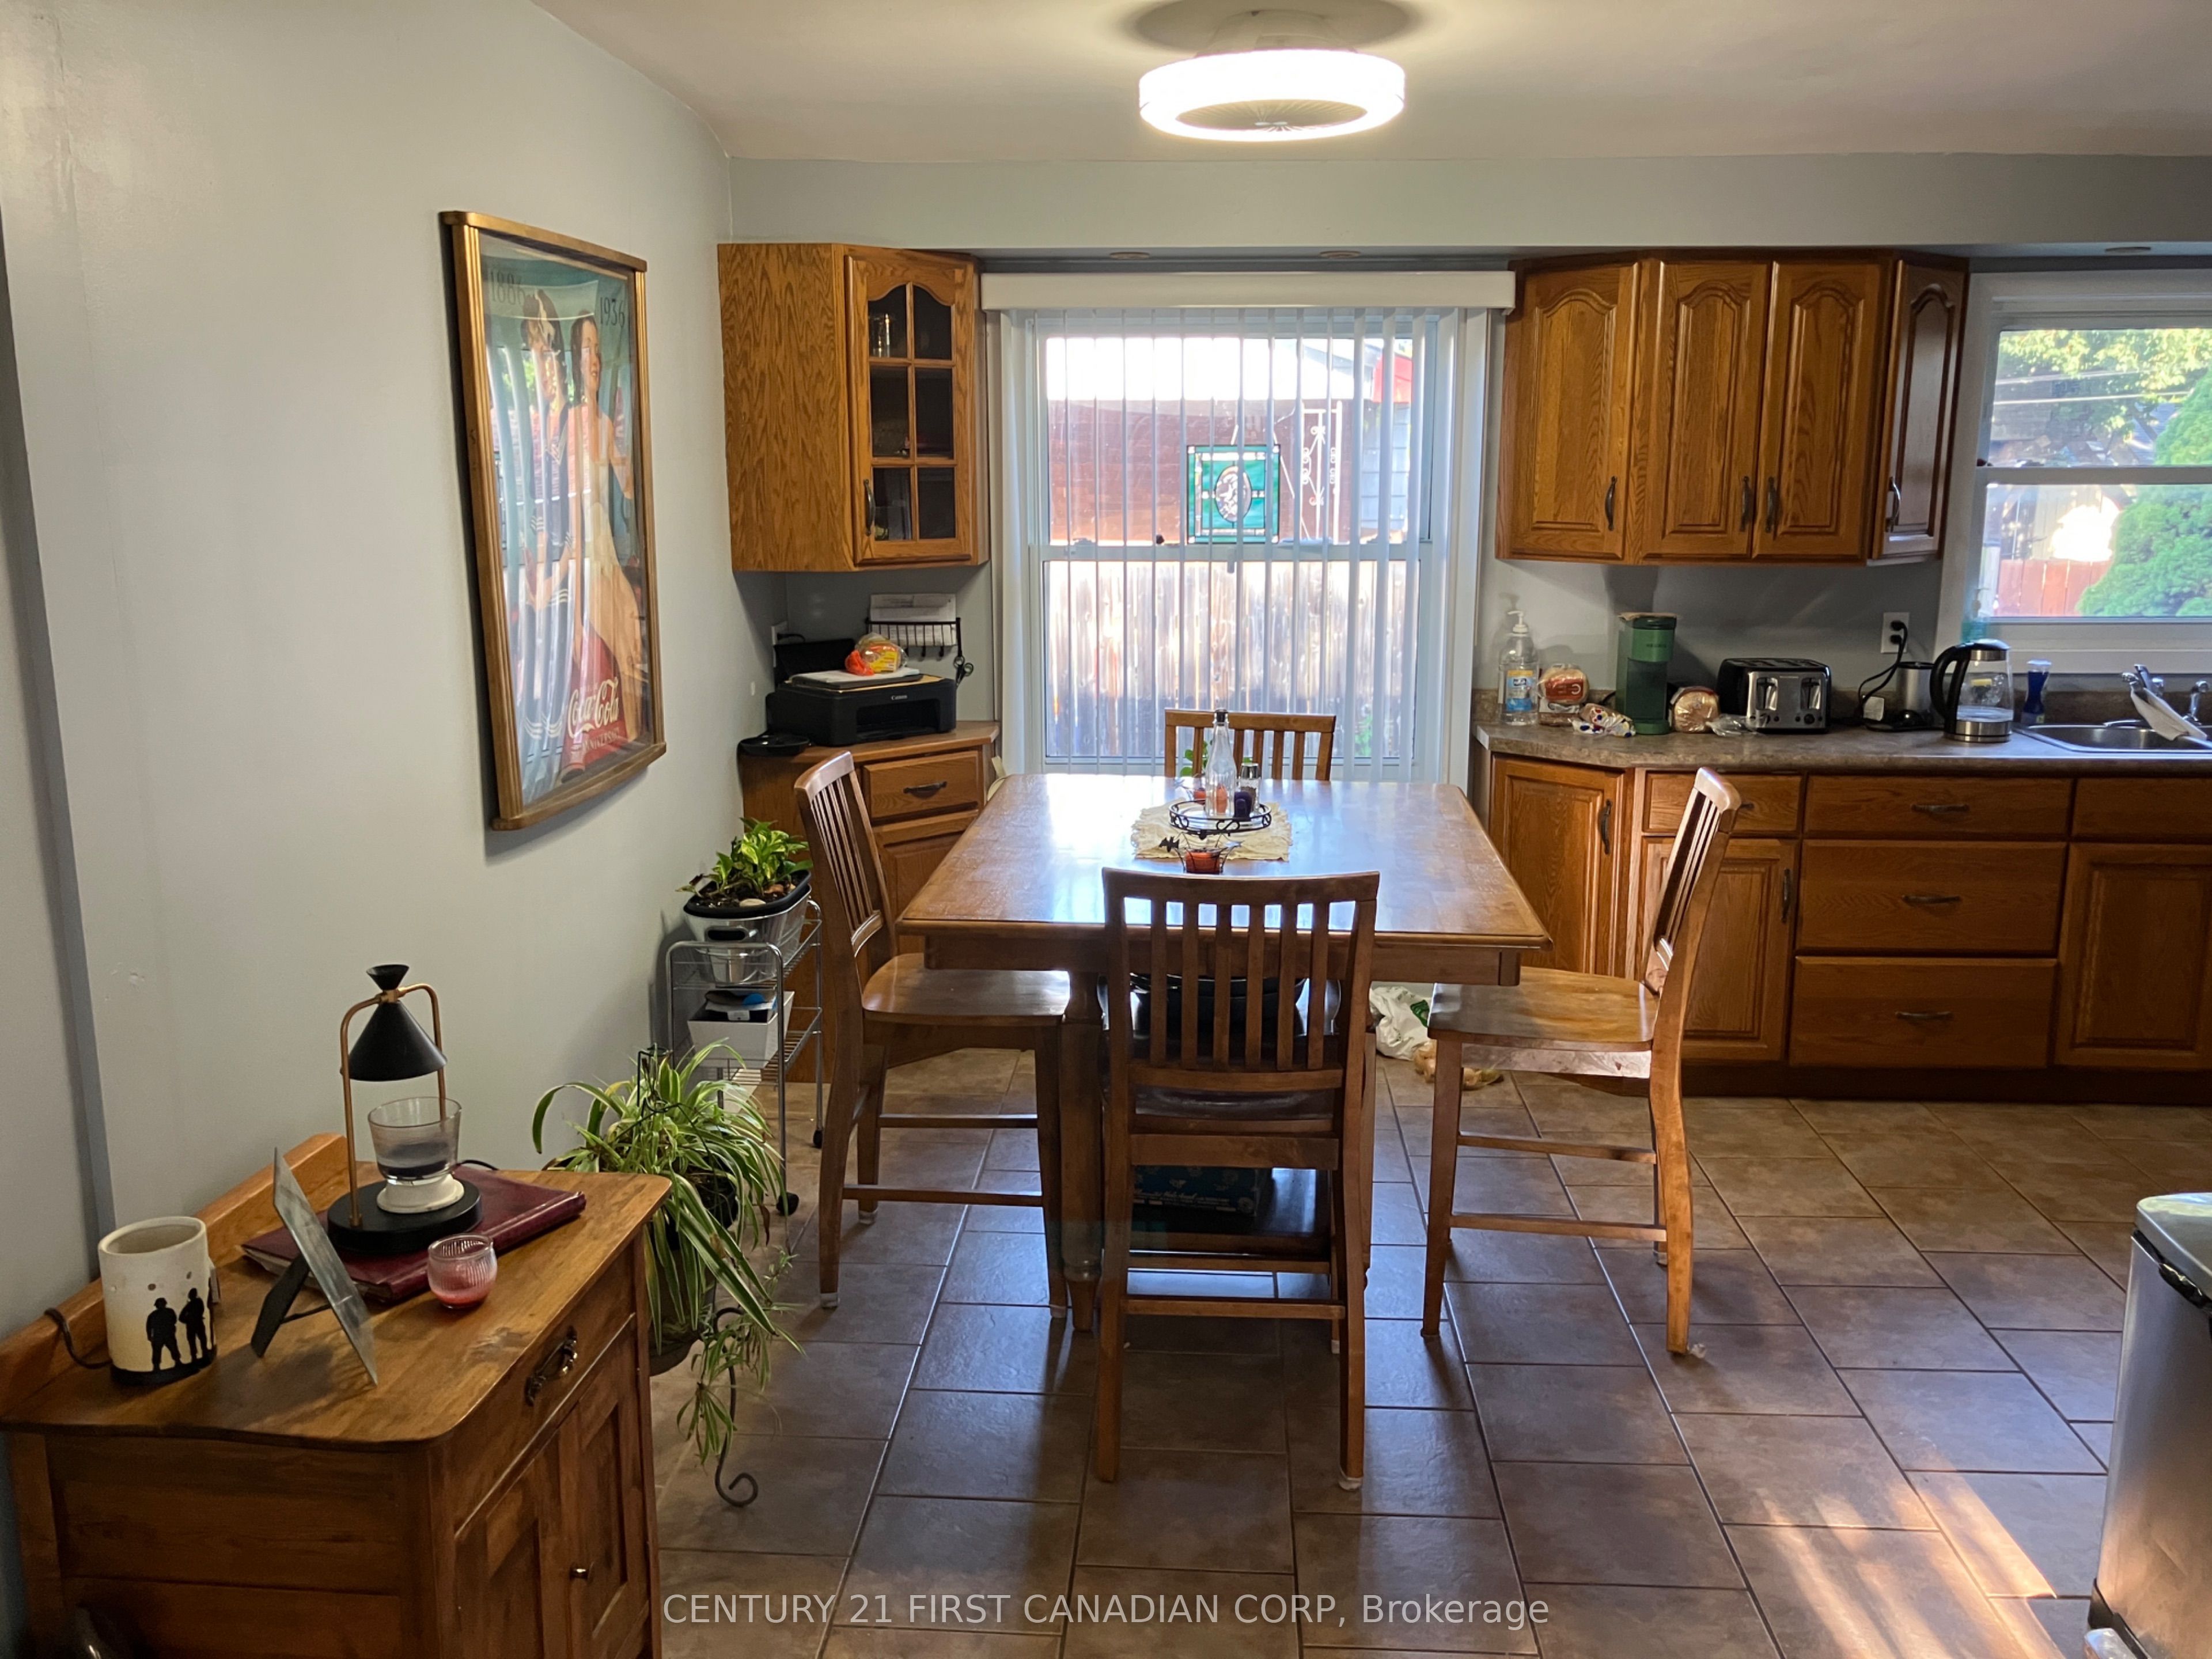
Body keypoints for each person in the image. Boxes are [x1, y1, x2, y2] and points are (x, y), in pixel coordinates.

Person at [564, 310, 647, 751]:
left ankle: (635, 738)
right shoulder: (573, 423)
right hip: (590, 557)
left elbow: (629, 488)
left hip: (609, 553)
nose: (594, 359)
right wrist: (576, 594)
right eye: (586, 349)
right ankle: (628, 739)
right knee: (621, 641)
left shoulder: (603, 423)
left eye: (597, 349)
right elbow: (572, 506)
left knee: (633, 641)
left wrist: (627, 442)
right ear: (575, 362)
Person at [144, 1297, 182, 1373]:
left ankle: (177, 1362)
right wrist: (149, 1336)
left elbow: (174, 1320)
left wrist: (150, 1336)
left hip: (166, 1335)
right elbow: (149, 1327)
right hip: (162, 1336)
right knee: (158, 1352)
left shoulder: (166, 1312)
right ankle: (157, 1367)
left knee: (173, 1349)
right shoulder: (155, 1315)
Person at [180, 1286, 209, 1365]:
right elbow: (181, 1317)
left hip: (193, 1325)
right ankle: (202, 1356)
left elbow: (181, 1317)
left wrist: (188, 1320)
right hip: (197, 1324)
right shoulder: (197, 1302)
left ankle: (196, 1358)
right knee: (200, 1340)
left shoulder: (191, 1304)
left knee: (195, 1342)